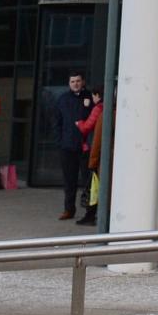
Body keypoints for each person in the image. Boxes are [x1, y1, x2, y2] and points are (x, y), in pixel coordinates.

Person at [44, 72, 94, 221]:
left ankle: (89, 211)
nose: (76, 84)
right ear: (69, 83)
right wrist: (60, 141)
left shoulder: (90, 97)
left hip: (85, 147)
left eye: (78, 81)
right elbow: (56, 122)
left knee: (88, 180)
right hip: (67, 146)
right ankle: (69, 209)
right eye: (73, 81)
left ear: (83, 82)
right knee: (69, 180)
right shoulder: (63, 99)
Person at [74, 88, 104, 229]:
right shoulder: (111, 108)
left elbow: (86, 127)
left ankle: (90, 215)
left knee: (92, 185)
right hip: (102, 152)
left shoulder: (98, 109)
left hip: (92, 151)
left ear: (97, 95)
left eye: (94, 95)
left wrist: (79, 123)